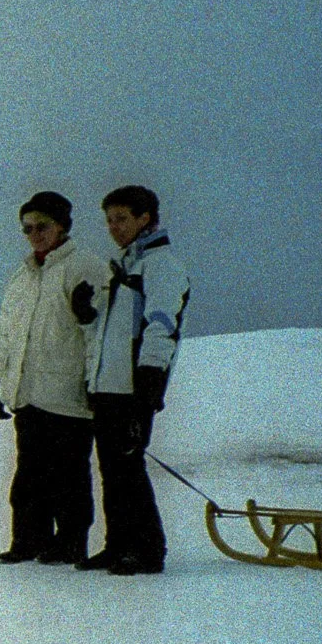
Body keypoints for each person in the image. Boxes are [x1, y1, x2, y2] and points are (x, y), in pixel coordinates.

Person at [0, 191, 110, 564]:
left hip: (68, 393)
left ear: (62, 226)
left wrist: (94, 382)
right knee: (28, 476)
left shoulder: (84, 268)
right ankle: (28, 539)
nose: (35, 234)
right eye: (27, 228)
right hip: (28, 392)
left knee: (68, 477)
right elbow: (7, 334)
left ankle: (70, 541)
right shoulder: (23, 276)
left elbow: (97, 332)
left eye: (43, 226)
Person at [79, 185, 193, 575]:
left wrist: (148, 381)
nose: (113, 227)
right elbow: (111, 331)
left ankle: (147, 549)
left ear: (146, 218)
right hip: (110, 387)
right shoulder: (127, 265)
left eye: (121, 218)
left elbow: (161, 324)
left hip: (133, 389)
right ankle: (119, 544)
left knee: (127, 467)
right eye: (109, 220)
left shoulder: (160, 266)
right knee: (111, 468)